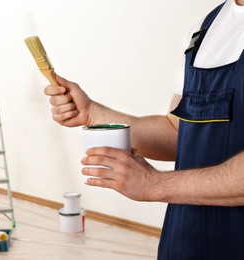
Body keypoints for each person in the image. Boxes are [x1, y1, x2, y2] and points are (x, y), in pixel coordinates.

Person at [43, 0, 244, 258]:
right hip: (185, 240)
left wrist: (154, 184)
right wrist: (92, 113)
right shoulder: (204, 30)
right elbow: (177, 133)